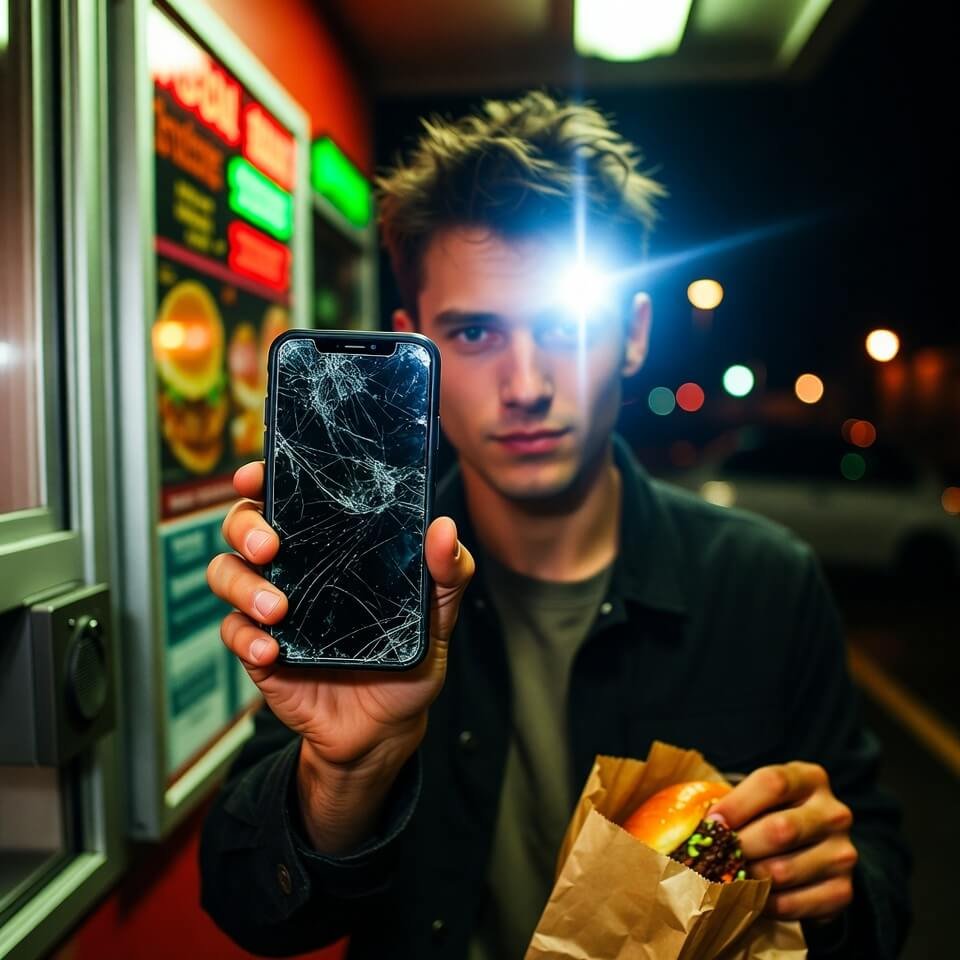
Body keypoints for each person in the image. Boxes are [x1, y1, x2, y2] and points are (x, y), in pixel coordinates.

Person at [200, 92, 909, 959]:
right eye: (475, 333)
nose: (527, 385)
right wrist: (344, 772)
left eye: (567, 327)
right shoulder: (364, 585)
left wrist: (832, 890)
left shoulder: (766, 581)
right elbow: (249, 907)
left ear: (634, 334)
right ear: (416, 346)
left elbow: (877, 867)